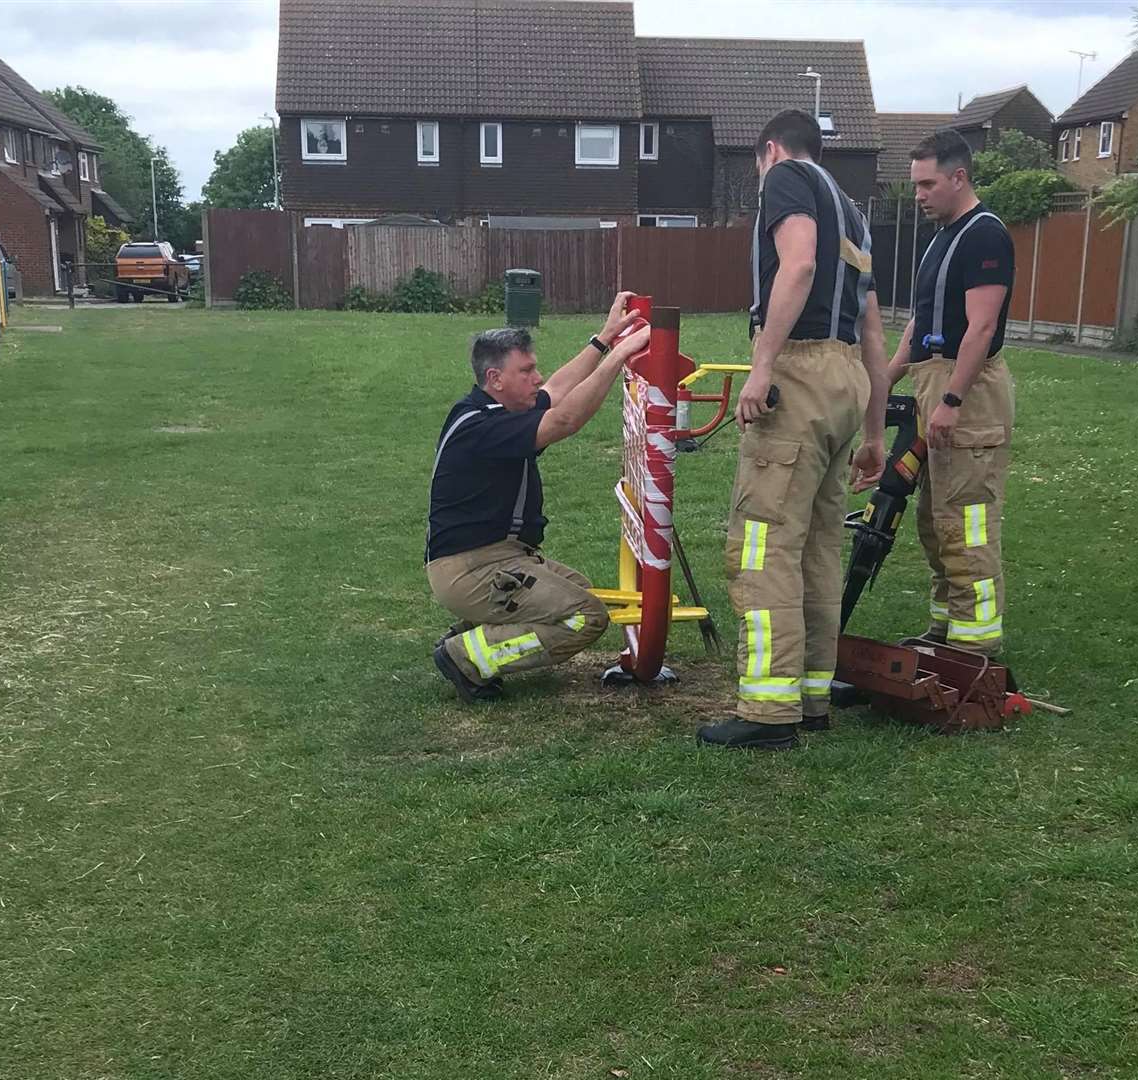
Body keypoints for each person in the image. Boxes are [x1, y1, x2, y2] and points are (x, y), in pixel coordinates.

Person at [698, 109, 893, 751]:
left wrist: (761, 367)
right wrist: (872, 433)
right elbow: (871, 330)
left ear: (771, 150)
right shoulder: (855, 213)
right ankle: (810, 696)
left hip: (800, 373)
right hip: (846, 381)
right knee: (817, 548)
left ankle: (767, 710)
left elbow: (798, 263)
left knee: (763, 542)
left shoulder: (786, 179)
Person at [426, 295, 651, 703]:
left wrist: (604, 339)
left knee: (580, 590)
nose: (537, 377)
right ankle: (468, 656)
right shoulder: (481, 427)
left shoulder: (499, 410)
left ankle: (471, 634)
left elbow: (557, 390)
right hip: (471, 568)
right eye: (526, 370)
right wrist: (619, 358)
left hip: (498, 556)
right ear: (495, 379)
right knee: (583, 616)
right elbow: (563, 419)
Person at [872, 130, 1016, 656]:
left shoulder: (984, 236)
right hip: (932, 380)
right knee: (936, 521)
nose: (919, 195)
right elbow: (921, 320)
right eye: (915, 185)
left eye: (928, 183)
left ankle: (974, 646)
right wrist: (887, 376)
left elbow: (980, 329)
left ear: (959, 177)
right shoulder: (942, 236)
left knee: (966, 519)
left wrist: (953, 402)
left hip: (968, 393)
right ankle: (944, 631)